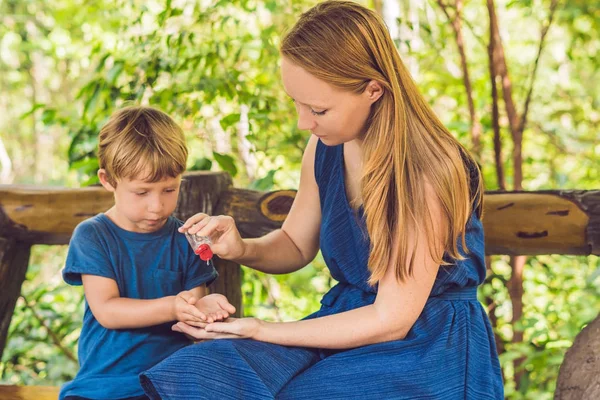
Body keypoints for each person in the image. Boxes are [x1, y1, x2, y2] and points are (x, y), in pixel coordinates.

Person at [139, 1, 504, 398]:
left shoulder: (425, 171)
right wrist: (240, 247)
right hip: (343, 320)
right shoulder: (325, 145)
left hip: (426, 344)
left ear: (373, 90)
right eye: (296, 103)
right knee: (203, 370)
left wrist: (264, 329)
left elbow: (391, 320)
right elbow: (295, 244)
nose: (303, 122)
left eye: (317, 109)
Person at [59, 106, 236, 400]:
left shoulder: (186, 239)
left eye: (169, 190)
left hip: (171, 384)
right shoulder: (93, 236)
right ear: (107, 180)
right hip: (104, 387)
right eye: (142, 192)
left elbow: (192, 310)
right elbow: (107, 310)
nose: (156, 206)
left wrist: (207, 310)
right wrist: (172, 306)